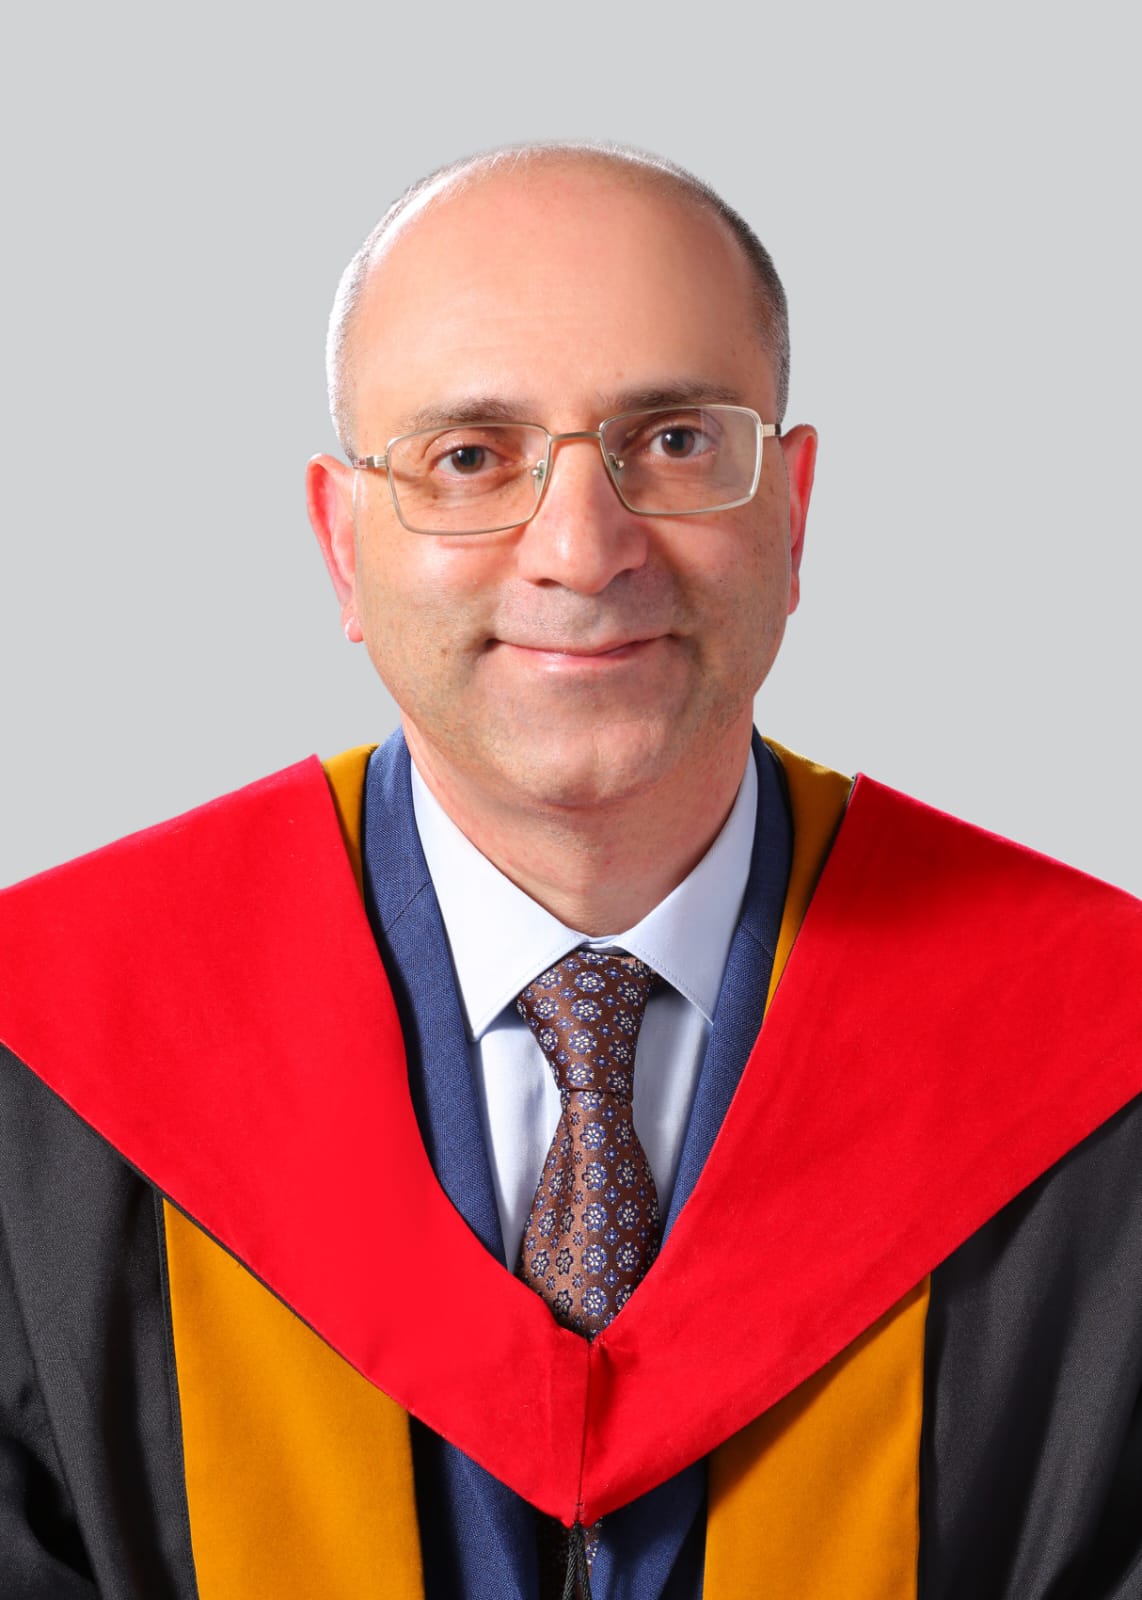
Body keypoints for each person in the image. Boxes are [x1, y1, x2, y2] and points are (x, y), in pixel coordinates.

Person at [1, 142, 1140, 1600]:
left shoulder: (1094, 1055)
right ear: (342, 546)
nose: (582, 549)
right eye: (469, 458)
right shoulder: (48, 1054)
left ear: (792, 511)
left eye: (674, 441)